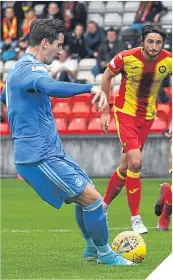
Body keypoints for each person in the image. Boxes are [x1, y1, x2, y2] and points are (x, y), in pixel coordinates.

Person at [0, 19, 133, 266]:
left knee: (87, 192)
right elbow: (50, 86)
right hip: (38, 156)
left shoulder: (18, 69)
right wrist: (90, 89)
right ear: (44, 43)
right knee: (92, 199)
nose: (60, 51)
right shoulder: (31, 69)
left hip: (48, 150)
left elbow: (5, 96)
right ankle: (106, 255)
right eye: (58, 45)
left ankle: (93, 249)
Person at [100, 24, 172, 234]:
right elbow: (106, 76)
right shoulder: (125, 57)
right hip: (125, 113)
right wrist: (105, 112)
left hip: (147, 116)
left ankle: (102, 207)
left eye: (158, 42)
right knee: (136, 161)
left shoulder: (168, 60)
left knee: (125, 167)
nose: (154, 46)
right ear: (142, 42)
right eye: (150, 41)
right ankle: (136, 219)